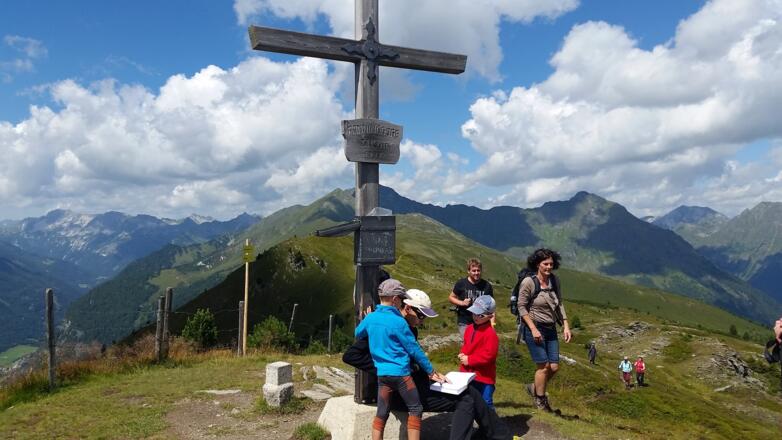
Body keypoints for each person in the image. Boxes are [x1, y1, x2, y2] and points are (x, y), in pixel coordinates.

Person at [344, 288, 511, 440]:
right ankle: (495, 435)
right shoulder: (385, 326)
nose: (423, 321)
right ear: (408, 308)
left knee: (471, 392)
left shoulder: (408, 327)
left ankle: (498, 435)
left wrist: (420, 370)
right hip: (400, 393)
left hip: (416, 386)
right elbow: (351, 355)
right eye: (421, 315)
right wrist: (395, 368)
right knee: (466, 399)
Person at [354, 279, 445, 440]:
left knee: (381, 413)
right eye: (402, 299)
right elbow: (414, 350)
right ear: (395, 299)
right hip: (402, 376)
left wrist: (368, 320)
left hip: (382, 376)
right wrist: (430, 371)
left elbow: (358, 333)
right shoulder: (399, 323)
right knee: (416, 409)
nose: (403, 302)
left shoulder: (371, 318)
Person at [518, 248, 571, 412]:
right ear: (537, 264)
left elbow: (559, 302)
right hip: (534, 328)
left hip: (551, 328)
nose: (549, 267)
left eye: (551, 264)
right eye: (545, 264)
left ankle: (534, 387)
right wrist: (533, 329)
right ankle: (541, 401)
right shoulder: (528, 282)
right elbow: (521, 306)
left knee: (554, 367)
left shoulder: (554, 281)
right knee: (543, 366)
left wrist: (566, 325)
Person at [458, 295, 499, 409]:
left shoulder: (490, 334)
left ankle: (491, 426)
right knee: (469, 402)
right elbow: (467, 346)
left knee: (486, 403)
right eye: (474, 312)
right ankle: (470, 424)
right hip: (468, 375)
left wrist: (470, 360)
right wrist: (462, 354)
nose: (475, 316)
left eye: (480, 315)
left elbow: (489, 356)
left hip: (484, 377)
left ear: (490, 316)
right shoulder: (469, 329)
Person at [449, 258, 494, 338]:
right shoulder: (461, 283)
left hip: (482, 322)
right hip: (465, 321)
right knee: (469, 342)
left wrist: (492, 324)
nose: (476, 273)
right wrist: (462, 303)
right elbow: (451, 297)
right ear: (468, 271)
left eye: (478, 270)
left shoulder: (487, 286)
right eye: (473, 271)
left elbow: (491, 307)